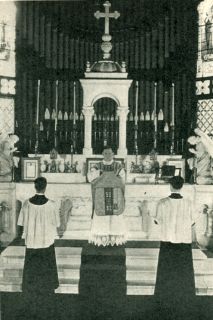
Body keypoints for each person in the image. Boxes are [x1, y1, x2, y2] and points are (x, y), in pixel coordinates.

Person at [17, 177, 60, 320]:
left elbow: (21, 222)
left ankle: (30, 286)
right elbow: (56, 223)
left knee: (31, 265)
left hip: (32, 241)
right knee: (46, 264)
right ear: (45, 187)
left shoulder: (26, 204)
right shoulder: (52, 205)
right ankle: (47, 287)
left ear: (35, 187)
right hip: (46, 241)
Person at [154, 176, 196, 319]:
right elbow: (192, 222)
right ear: (182, 186)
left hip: (167, 242)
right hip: (183, 243)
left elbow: (157, 221)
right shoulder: (189, 203)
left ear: (170, 186)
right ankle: (185, 302)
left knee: (166, 273)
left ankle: (164, 302)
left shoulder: (162, 203)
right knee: (183, 273)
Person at [88, 145, 127, 246]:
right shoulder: (97, 166)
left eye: (110, 153)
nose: (108, 155)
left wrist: (104, 177)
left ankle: (114, 239)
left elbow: (123, 179)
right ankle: (102, 239)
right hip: (101, 196)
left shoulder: (118, 166)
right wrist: (103, 174)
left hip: (115, 196)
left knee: (114, 216)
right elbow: (90, 178)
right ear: (102, 154)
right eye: (105, 153)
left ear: (113, 154)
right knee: (102, 217)